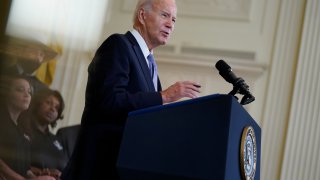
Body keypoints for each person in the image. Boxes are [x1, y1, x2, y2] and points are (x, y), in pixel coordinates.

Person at [62, 0, 201, 179]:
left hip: (126, 167)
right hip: (99, 167)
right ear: (142, 15)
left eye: (174, 20)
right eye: (164, 15)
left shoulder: (150, 66)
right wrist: (164, 96)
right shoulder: (118, 45)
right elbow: (110, 100)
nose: (170, 25)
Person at [0, 75, 55, 180]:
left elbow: (25, 170)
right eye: (20, 90)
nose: (27, 95)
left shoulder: (23, 128)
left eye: (30, 92)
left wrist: (37, 177)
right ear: (7, 93)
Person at [21, 88, 69, 179]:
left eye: (57, 108)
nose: (52, 109)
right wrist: (43, 172)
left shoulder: (56, 139)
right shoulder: (21, 130)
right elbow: (14, 164)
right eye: (48, 103)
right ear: (37, 104)